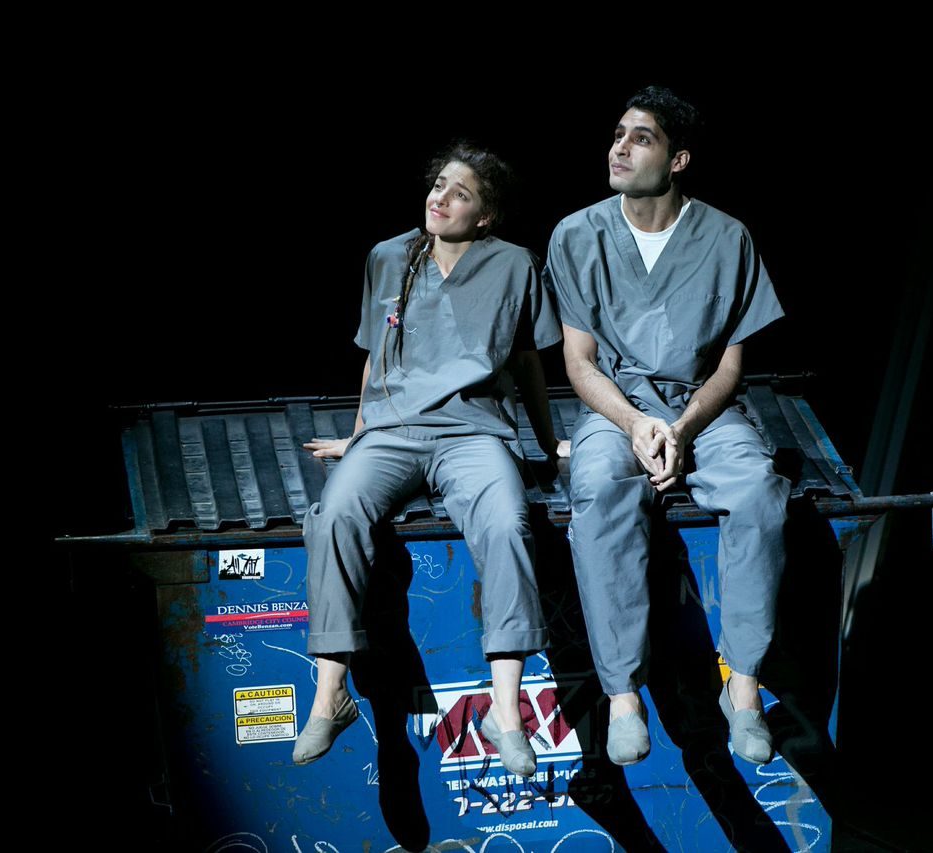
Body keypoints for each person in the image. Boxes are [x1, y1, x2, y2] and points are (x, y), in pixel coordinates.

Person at [294, 143, 565, 778]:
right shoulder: (389, 256)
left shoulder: (515, 266)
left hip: (474, 432)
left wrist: (545, 442)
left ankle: (505, 712)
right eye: (438, 185)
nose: (439, 198)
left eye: (459, 194)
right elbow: (375, 356)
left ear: (485, 215)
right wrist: (358, 437)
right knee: (335, 512)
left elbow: (528, 359)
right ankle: (330, 694)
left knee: (506, 521)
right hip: (393, 431)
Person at [543, 87, 788, 766]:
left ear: (678, 159)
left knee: (759, 490)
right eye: (617, 134)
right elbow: (579, 362)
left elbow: (730, 368)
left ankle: (743, 688)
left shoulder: (728, 238)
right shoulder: (577, 235)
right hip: (615, 407)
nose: (620, 148)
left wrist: (680, 427)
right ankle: (624, 696)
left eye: (641, 138)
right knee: (598, 489)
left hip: (702, 408)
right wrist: (635, 424)